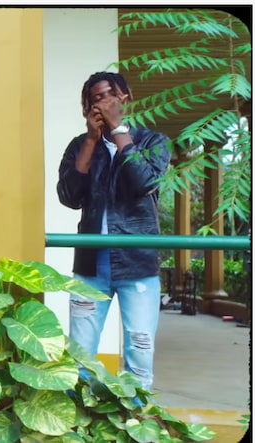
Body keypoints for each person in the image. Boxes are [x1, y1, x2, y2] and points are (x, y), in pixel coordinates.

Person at [56, 71, 171, 393]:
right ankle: (80, 412)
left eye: (108, 95)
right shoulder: (79, 146)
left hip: (138, 263)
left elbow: (143, 183)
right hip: (90, 266)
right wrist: (91, 141)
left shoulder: (153, 142)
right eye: (95, 99)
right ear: (86, 109)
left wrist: (119, 131)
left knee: (140, 346)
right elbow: (69, 197)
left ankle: (136, 413)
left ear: (125, 98)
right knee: (80, 352)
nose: (102, 103)